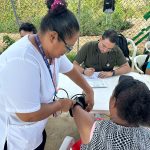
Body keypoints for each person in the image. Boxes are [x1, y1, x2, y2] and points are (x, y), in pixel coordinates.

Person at [0, 0, 94, 149]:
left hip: (35, 130)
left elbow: (71, 70)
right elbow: (27, 115)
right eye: (68, 47)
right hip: (16, 139)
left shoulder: (49, 49)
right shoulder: (22, 61)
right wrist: (60, 105)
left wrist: (89, 90)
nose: (67, 52)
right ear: (53, 36)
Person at [72, 76, 150, 149]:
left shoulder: (96, 130)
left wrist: (80, 100)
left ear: (114, 102)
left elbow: (75, 107)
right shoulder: (147, 135)